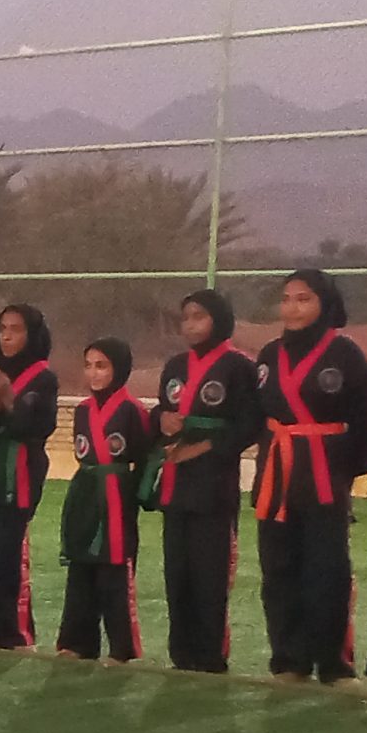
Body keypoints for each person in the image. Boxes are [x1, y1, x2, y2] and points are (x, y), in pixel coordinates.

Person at [249, 270, 367, 684]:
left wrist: (345, 471)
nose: (292, 308)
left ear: (325, 303)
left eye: (303, 299)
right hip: (277, 475)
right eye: (286, 299)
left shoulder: (346, 354)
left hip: (324, 475)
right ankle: (289, 659)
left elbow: (363, 421)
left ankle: (333, 663)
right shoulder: (269, 354)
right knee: (278, 569)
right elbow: (257, 416)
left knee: (327, 570)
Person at [149, 288, 261, 675]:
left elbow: (250, 424)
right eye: (186, 318)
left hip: (214, 484)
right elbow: (161, 412)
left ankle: (210, 656)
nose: (191, 325)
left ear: (220, 319)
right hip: (176, 482)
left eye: (199, 316)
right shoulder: (175, 365)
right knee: (177, 571)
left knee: (209, 573)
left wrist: (204, 448)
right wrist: (162, 421)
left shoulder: (239, 367)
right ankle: (181, 653)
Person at [0, 303, 59, 649]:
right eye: (2, 329)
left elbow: (38, 428)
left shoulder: (43, 379)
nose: (6, 336)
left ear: (32, 335)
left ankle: (15, 633)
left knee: (8, 557)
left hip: (19, 478)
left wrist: (8, 402)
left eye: (15, 330)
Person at [58, 337, 153, 662]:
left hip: (116, 498)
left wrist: (133, 493)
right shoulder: (83, 410)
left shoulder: (133, 411)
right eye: (88, 366)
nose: (94, 373)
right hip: (86, 492)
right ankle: (77, 643)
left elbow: (145, 458)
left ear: (119, 368)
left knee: (114, 572)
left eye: (102, 366)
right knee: (80, 567)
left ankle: (122, 649)